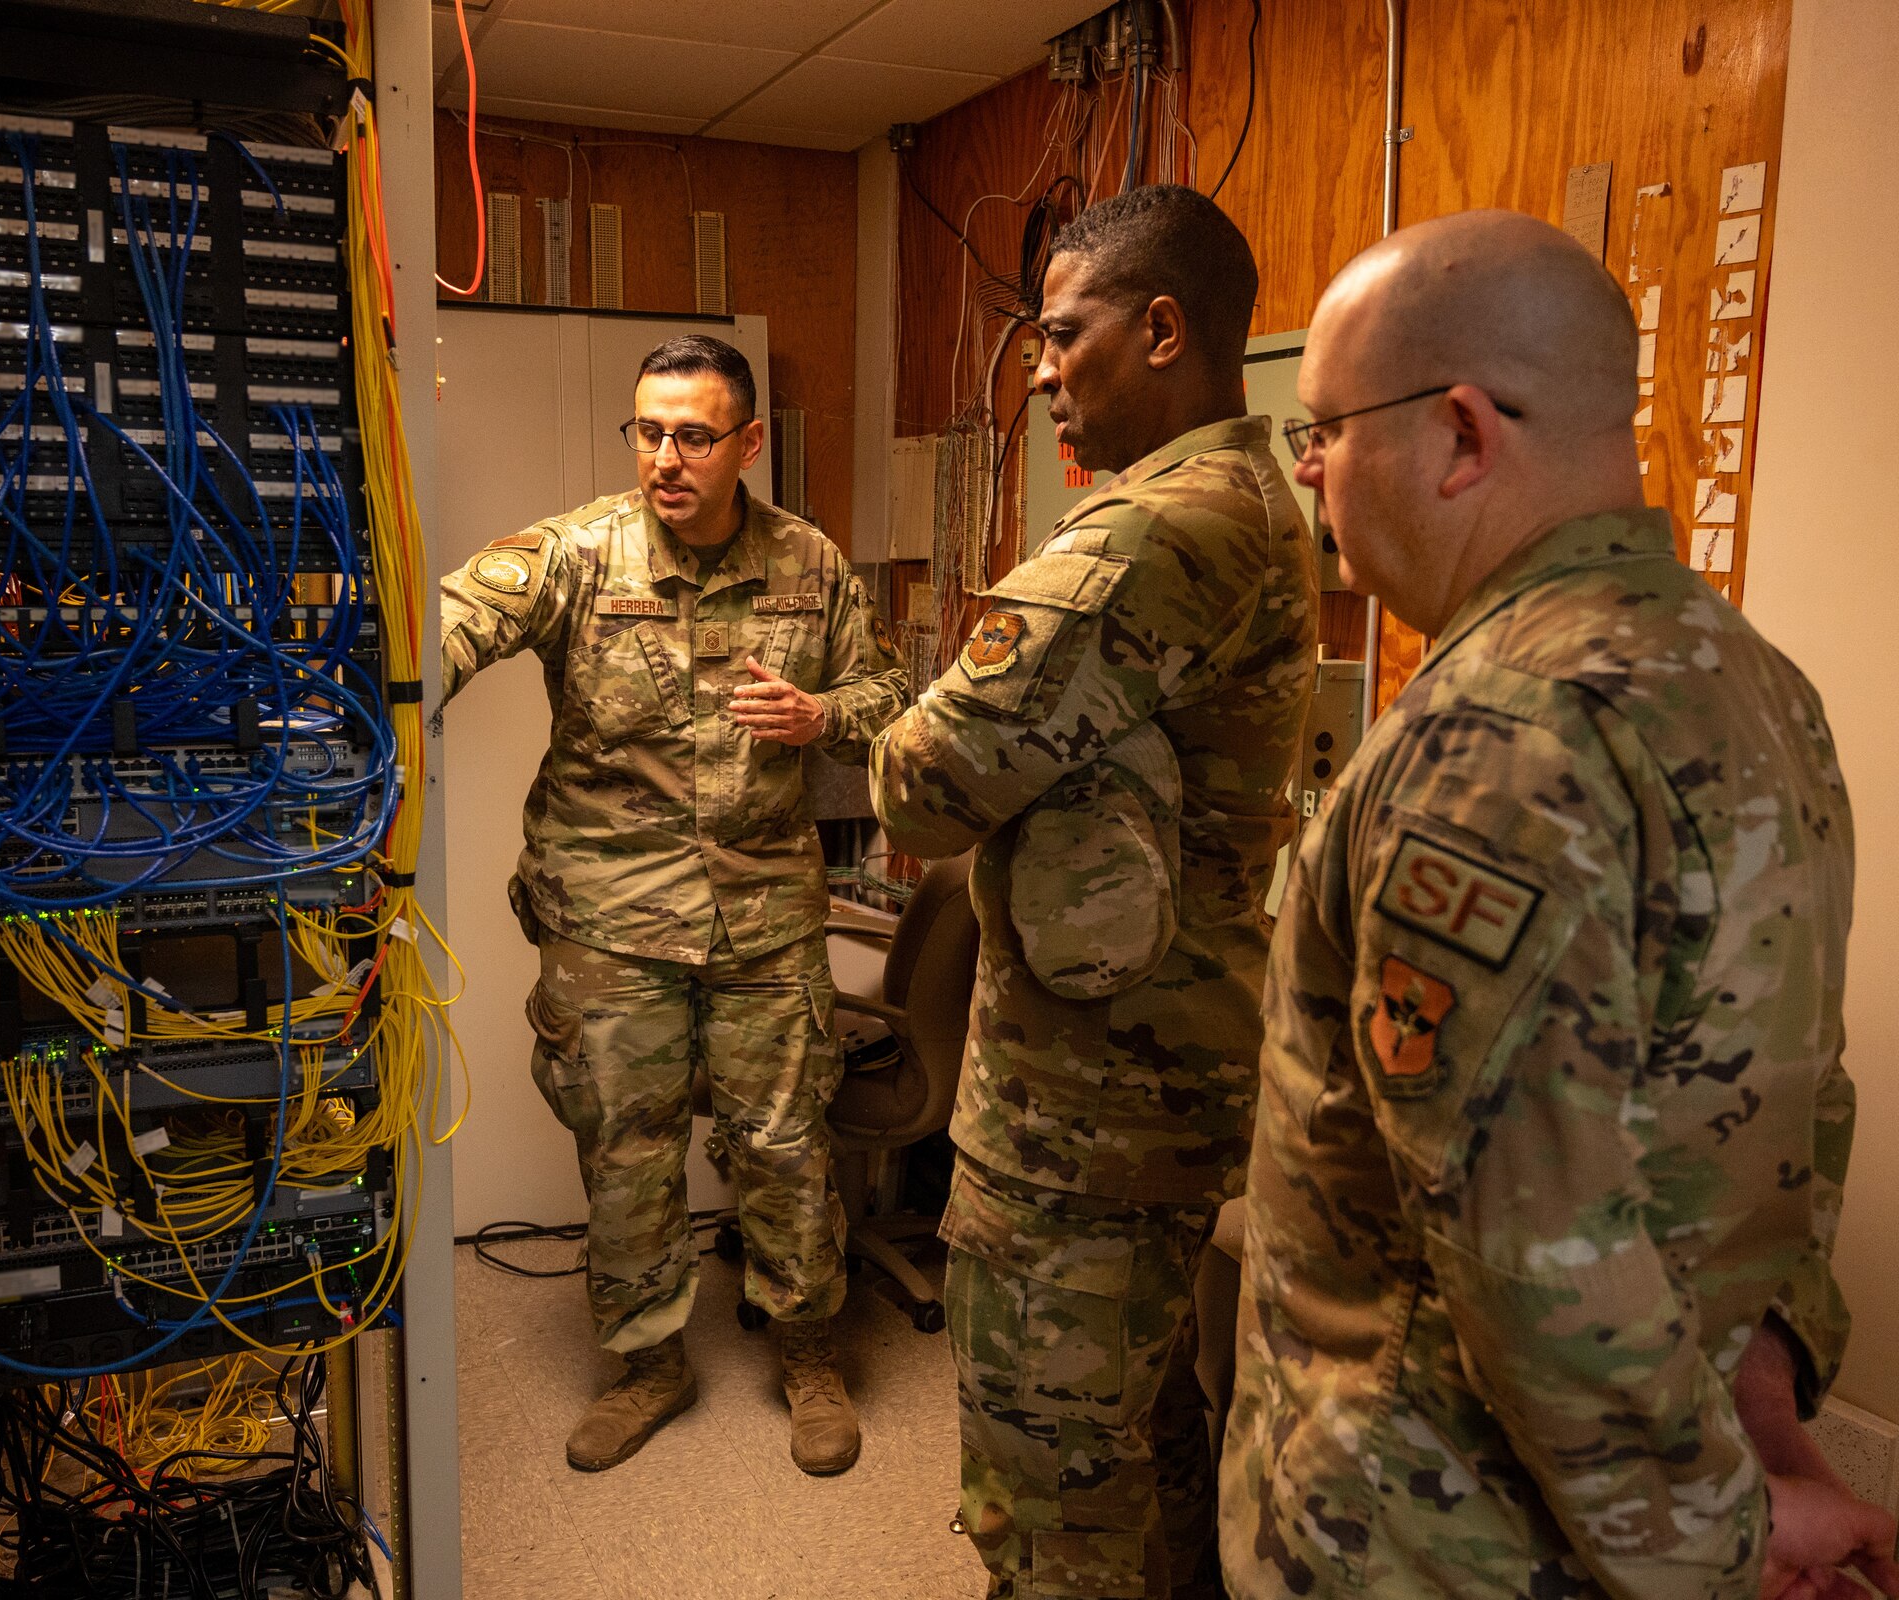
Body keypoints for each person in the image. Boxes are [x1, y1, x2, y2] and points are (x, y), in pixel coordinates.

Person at [1222, 208, 1899, 1600]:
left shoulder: (1494, 747)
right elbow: (1788, 1112)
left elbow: (1535, 1247)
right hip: (1656, 1463)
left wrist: (1726, 1526)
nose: (1310, 475)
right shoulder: (1753, 682)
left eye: (1324, 431)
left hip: (1432, 1532)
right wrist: (1760, 1423)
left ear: (1462, 434)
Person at [872, 184, 1319, 1600]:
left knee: (1050, 1489)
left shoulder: (1151, 537)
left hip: (1085, 1120)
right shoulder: (1244, 505)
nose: (1045, 372)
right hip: (1154, 1088)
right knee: (1144, 1443)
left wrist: (909, 731)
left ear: (1167, 327)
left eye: (1067, 337)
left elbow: (922, 785)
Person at [438, 334, 907, 1477]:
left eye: (693, 435)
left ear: (747, 443)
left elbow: (888, 686)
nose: (664, 457)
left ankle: (807, 1352)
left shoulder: (809, 562)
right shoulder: (574, 555)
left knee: (783, 1144)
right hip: (608, 917)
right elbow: (444, 629)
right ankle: (648, 1363)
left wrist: (822, 718)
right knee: (626, 1147)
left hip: (763, 913)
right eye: (646, 430)